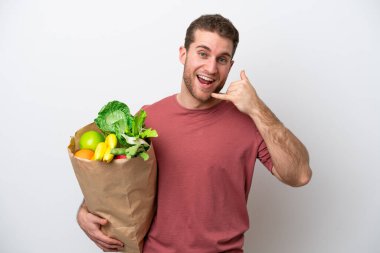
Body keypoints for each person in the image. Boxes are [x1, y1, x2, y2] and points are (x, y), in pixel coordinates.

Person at [77, 14, 312, 252]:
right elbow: (116, 177)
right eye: (203, 53)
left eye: (222, 59)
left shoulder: (250, 121)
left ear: (230, 66)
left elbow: (299, 175)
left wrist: (257, 108)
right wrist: (84, 211)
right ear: (183, 54)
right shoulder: (147, 119)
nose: (211, 68)